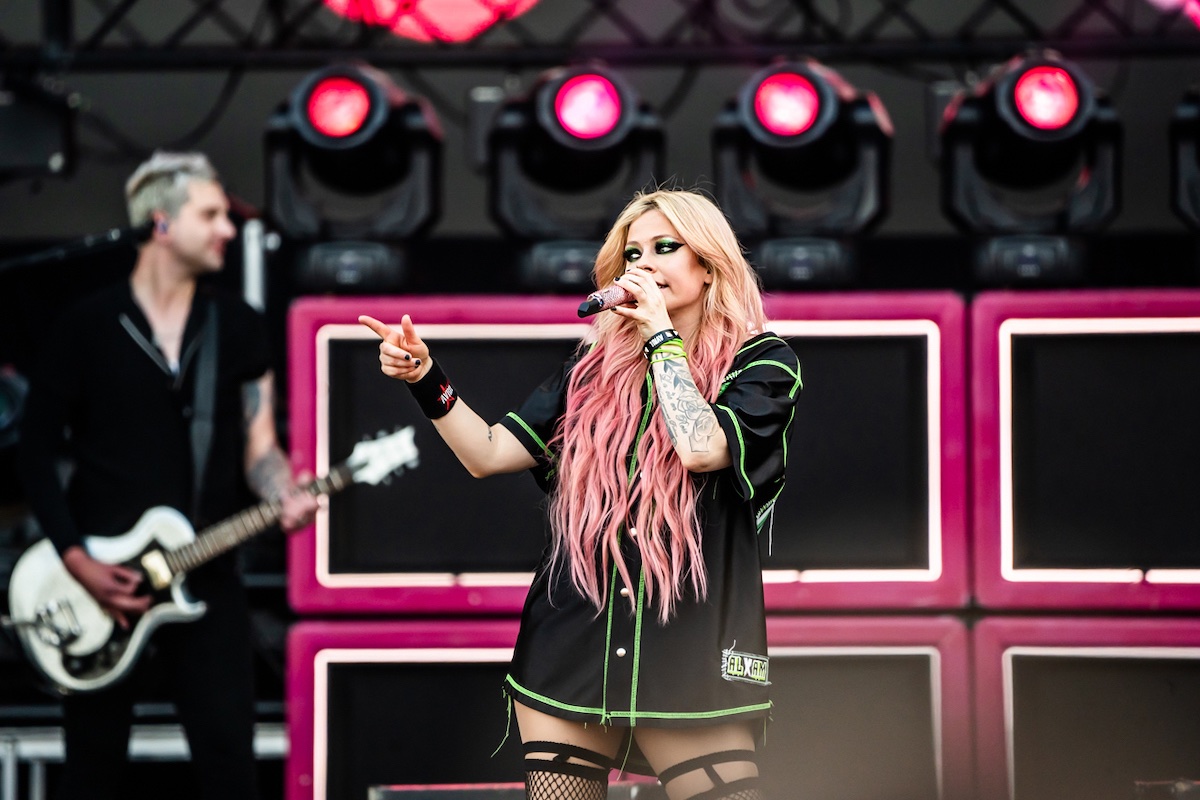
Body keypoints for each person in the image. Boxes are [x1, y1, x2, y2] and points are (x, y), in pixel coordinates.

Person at [361, 189, 802, 800]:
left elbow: (702, 446)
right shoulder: (590, 372)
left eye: (665, 248)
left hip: (691, 646)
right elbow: (488, 453)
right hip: (572, 642)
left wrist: (660, 336)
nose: (644, 265)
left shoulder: (761, 363)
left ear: (708, 265)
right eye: (632, 255)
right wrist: (425, 378)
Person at [17, 151, 319, 800]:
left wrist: (284, 493)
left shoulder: (237, 325)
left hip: (207, 573)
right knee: (91, 771)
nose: (227, 229)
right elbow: (33, 453)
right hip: (101, 582)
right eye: (210, 215)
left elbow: (261, 450)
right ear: (161, 223)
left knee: (229, 767)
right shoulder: (86, 326)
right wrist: (76, 559)